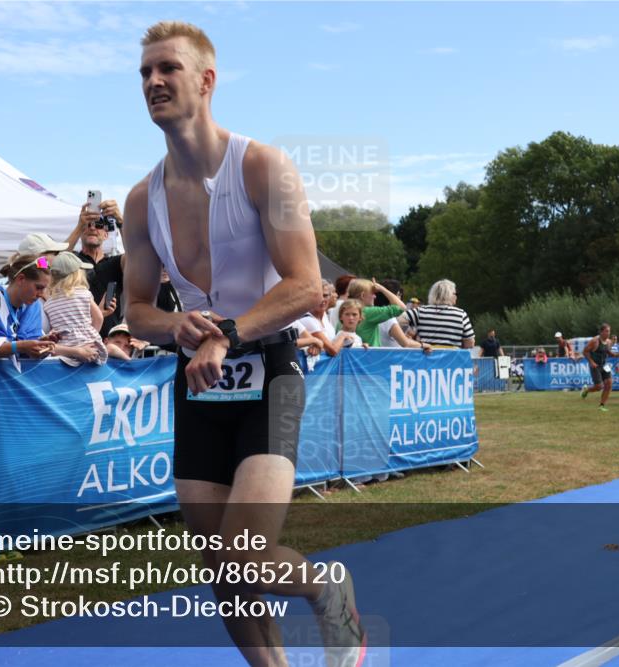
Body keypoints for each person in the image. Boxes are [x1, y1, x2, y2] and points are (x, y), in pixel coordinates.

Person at [121, 21, 365, 667]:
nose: (153, 82)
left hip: (270, 366)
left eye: (167, 68)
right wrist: (177, 326)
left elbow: (305, 284)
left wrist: (225, 334)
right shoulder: (140, 199)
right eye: (145, 72)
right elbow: (135, 309)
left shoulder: (262, 166)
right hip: (199, 384)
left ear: (206, 80)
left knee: (244, 554)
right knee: (222, 570)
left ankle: (327, 586)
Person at [0, 254, 56, 361]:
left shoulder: (33, 307)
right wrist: (20, 347)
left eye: (44, 289)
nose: (41, 294)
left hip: (20, 376)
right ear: (21, 279)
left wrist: (42, 343)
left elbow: (28, 342)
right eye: (38, 287)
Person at [68, 198, 124, 336]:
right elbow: (49, 262)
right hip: (78, 339)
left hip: (111, 340)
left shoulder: (116, 262)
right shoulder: (70, 259)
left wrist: (121, 221)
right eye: (87, 225)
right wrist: (79, 226)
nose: (92, 228)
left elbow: (136, 255)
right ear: (81, 232)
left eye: (99, 225)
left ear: (106, 235)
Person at [43, 252, 107, 366]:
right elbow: (99, 317)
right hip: (89, 345)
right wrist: (91, 335)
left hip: (65, 350)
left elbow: (53, 330)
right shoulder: (84, 294)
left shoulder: (48, 303)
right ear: (77, 274)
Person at [399, 279, 475, 348]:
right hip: (451, 360)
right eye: (456, 294)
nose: (456, 297)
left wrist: (411, 338)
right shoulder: (461, 314)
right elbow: (470, 343)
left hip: (426, 359)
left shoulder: (420, 311)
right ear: (449, 294)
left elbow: (397, 321)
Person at [346, 278, 407, 348]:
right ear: (363, 296)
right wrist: (382, 289)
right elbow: (401, 307)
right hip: (370, 355)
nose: (375, 297)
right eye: (373, 293)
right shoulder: (368, 312)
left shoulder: (345, 309)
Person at [373, 279, 431, 353]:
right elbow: (405, 343)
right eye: (399, 294)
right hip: (391, 360)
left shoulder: (373, 314)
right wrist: (423, 345)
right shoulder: (389, 319)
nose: (400, 297)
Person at [579, 322, 619, 412]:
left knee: (609, 383)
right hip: (595, 365)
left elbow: (608, 352)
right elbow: (585, 351)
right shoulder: (595, 341)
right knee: (599, 386)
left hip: (604, 365)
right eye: (606, 331)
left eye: (609, 331)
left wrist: (616, 355)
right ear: (601, 332)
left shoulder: (609, 342)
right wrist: (591, 362)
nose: (608, 333)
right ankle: (586, 390)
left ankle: (602, 405)